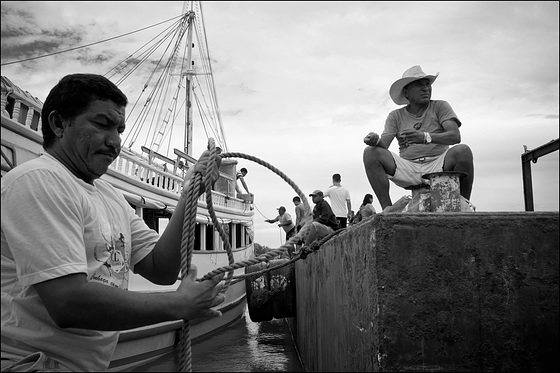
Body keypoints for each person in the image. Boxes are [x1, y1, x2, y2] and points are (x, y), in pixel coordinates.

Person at [0, 73, 225, 372]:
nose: (115, 142)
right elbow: (68, 302)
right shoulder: (38, 181)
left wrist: (189, 194)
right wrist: (179, 304)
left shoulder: (109, 195)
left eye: (119, 129)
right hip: (29, 363)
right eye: (102, 125)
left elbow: (161, 269)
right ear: (58, 123)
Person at [363, 65, 474, 212]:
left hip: (438, 164)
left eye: (427, 84)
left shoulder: (440, 106)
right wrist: (375, 141)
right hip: (409, 168)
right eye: (419, 85)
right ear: (407, 93)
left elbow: (455, 136)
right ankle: (388, 209)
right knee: (370, 152)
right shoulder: (395, 116)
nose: (425, 88)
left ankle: (462, 204)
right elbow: (384, 145)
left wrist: (425, 137)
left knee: (463, 151)